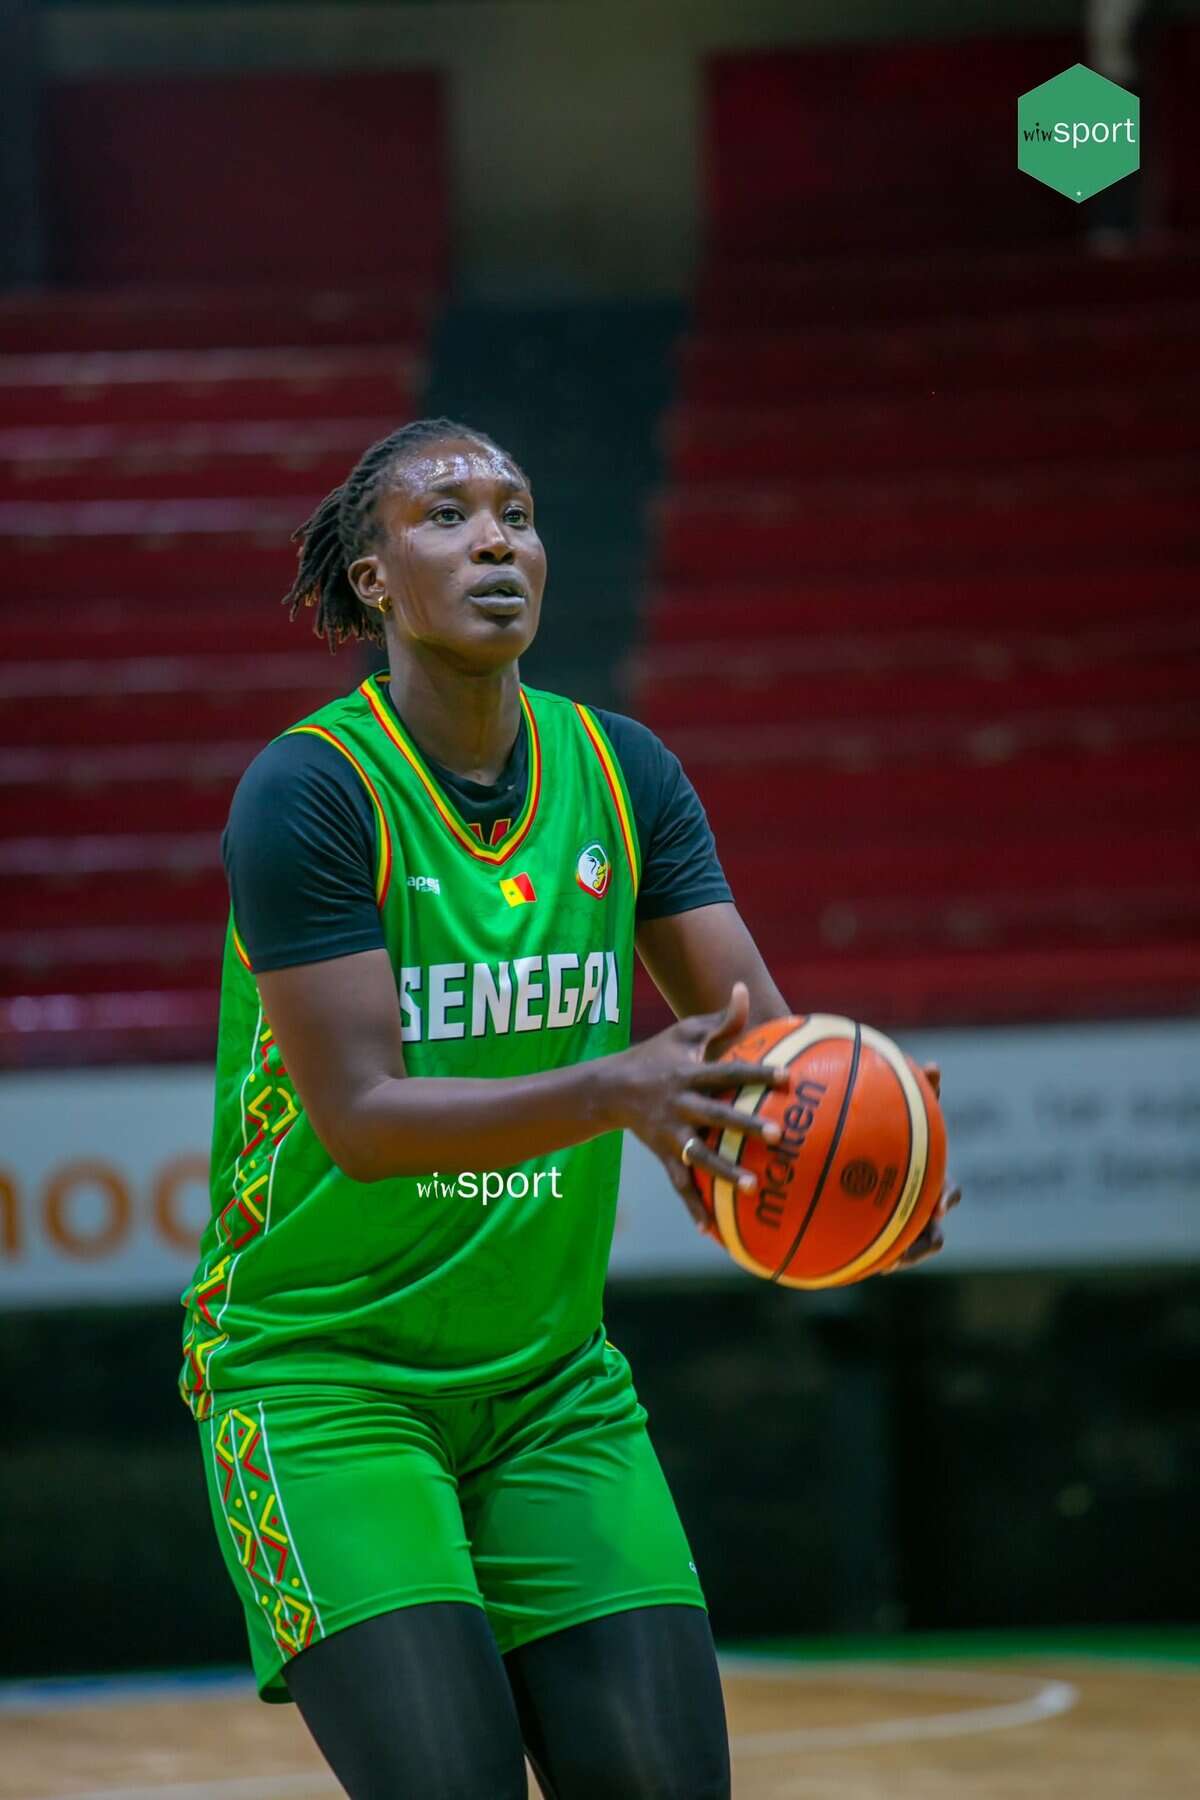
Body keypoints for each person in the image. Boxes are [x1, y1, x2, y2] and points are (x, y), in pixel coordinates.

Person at [179, 417, 957, 1799]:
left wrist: (865, 1149)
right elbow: (363, 1119)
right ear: (372, 578)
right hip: (321, 1380)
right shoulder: (311, 792)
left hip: (549, 1388)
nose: (496, 539)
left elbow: (759, 1053)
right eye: (448, 516)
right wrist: (613, 1088)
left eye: (518, 514)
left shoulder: (622, 772)